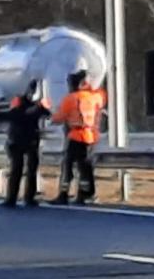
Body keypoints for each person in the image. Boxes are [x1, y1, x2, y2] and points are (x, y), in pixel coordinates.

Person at [51, 70, 105, 205]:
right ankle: (85, 195)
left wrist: (51, 116)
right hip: (91, 137)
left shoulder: (70, 98)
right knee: (86, 167)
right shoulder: (94, 97)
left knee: (68, 166)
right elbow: (102, 98)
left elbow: (59, 117)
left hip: (75, 136)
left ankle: (64, 194)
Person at [0, 80, 50, 208]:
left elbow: (5, 116)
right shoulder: (34, 107)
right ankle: (25, 198)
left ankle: (13, 199)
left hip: (20, 141)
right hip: (26, 141)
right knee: (26, 170)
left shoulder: (20, 105)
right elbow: (47, 114)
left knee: (19, 170)